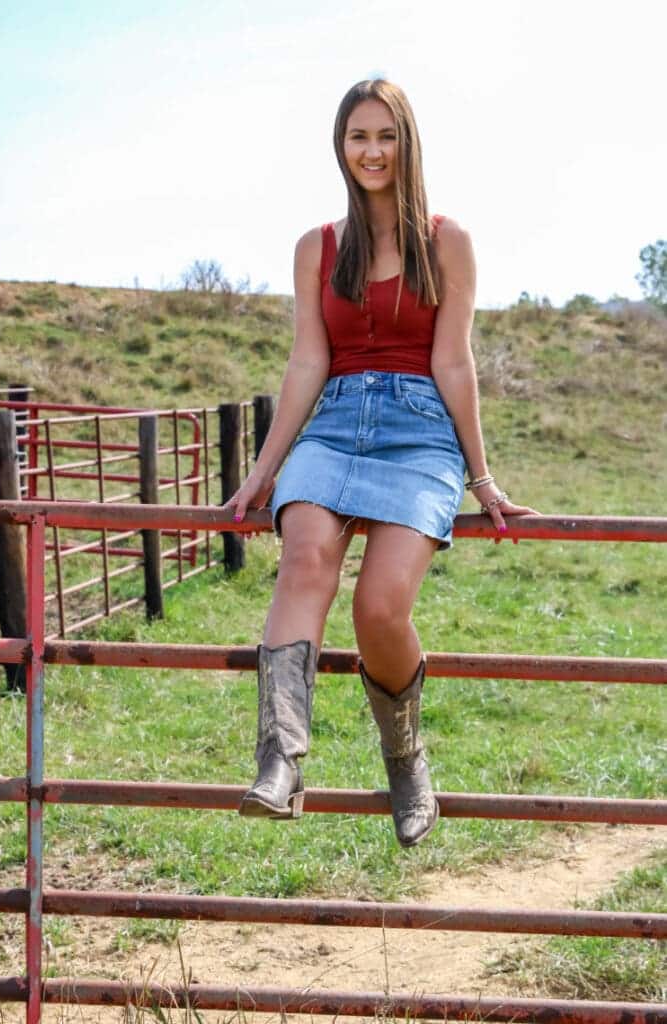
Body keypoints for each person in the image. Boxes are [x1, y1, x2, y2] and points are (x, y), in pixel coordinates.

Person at [223, 78, 536, 847]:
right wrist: (264, 470)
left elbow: (455, 363)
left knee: (379, 607)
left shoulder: (445, 240)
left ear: (407, 143)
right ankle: (280, 760)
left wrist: (480, 475)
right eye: (357, 137)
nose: (371, 151)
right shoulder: (317, 247)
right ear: (340, 147)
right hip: (332, 426)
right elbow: (305, 362)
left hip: (419, 431)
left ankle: (405, 757)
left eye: (385, 136)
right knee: (302, 561)